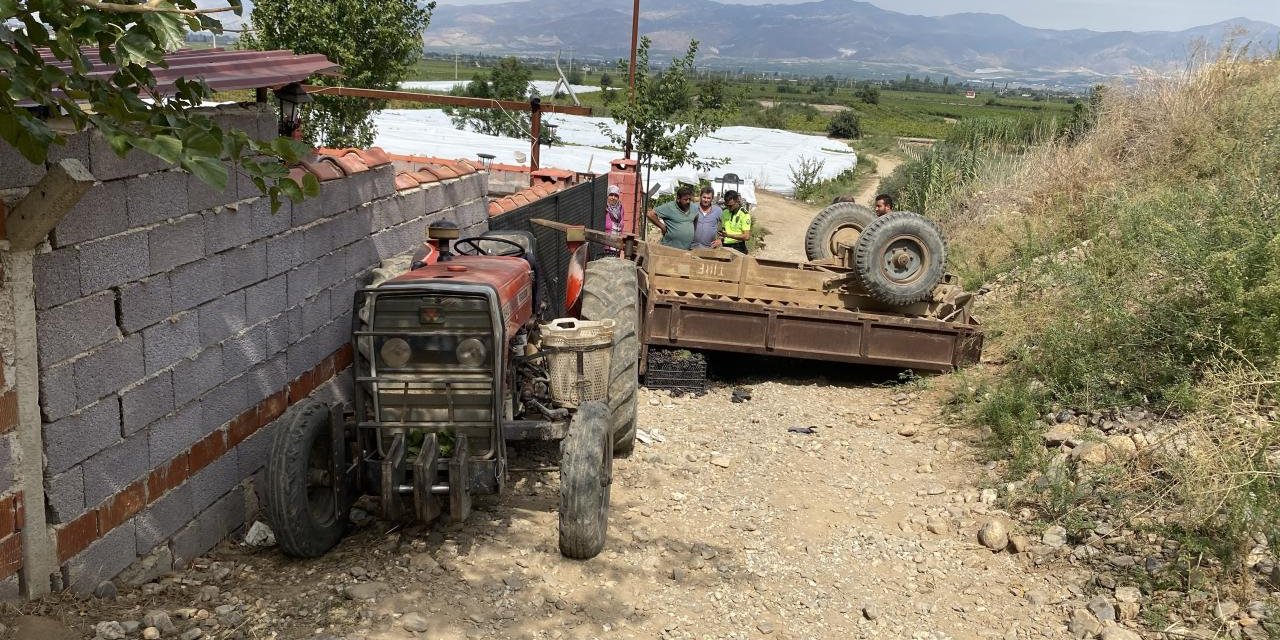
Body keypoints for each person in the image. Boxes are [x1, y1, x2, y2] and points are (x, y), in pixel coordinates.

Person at [646, 185, 696, 249]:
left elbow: (696, 217)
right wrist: (662, 226)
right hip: (670, 248)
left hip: (686, 249)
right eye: (685, 199)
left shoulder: (693, 207)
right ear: (678, 199)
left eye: (689, 199)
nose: (688, 201)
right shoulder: (670, 207)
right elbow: (650, 214)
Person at [603, 185, 625, 254]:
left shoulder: (621, 208)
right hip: (606, 247)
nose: (613, 197)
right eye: (611, 195)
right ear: (607, 196)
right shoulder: (604, 208)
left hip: (617, 247)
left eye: (616, 195)